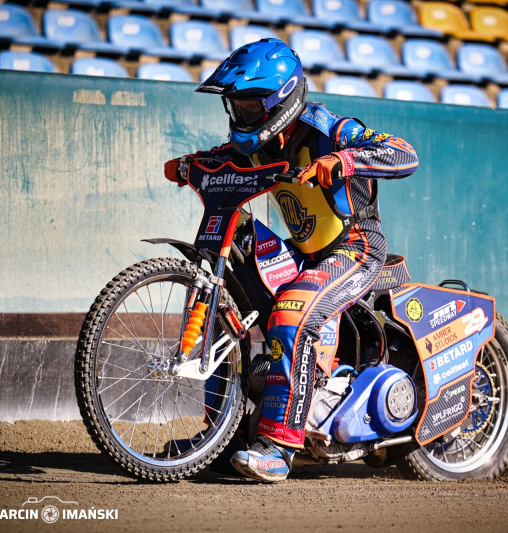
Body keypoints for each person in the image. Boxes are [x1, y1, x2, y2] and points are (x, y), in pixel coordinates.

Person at [164, 38, 418, 482]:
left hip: (356, 249)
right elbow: (224, 159)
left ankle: (280, 447)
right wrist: (191, 164)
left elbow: (403, 153)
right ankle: (220, 435)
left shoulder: (329, 129)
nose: (241, 116)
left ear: (281, 99)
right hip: (303, 252)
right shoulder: (255, 144)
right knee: (232, 280)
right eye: (236, 107)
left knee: (291, 313)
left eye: (250, 106)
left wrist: (343, 160)